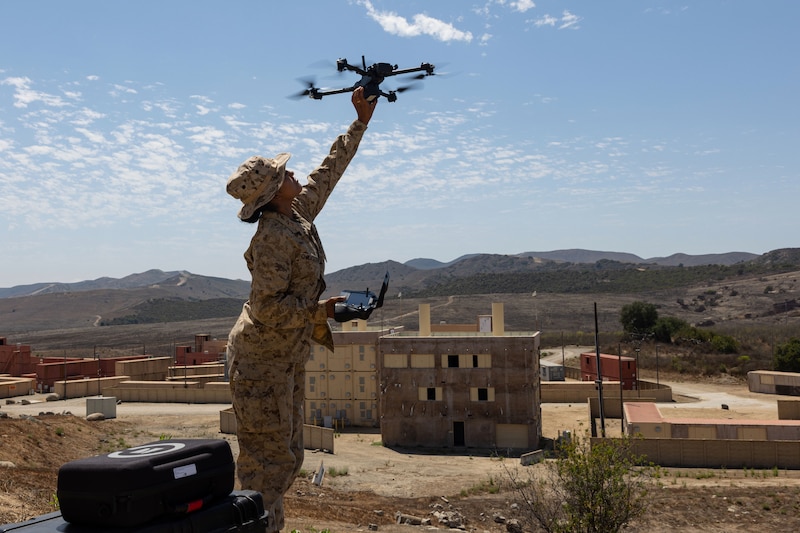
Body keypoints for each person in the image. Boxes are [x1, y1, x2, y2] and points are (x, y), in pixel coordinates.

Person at [224, 87, 376, 532]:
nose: (295, 175)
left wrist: (360, 122)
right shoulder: (271, 237)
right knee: (266, 465)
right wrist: (322, 313)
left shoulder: (296, 216)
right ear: (272, 191)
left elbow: (326, 175)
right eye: (285, 173)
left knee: (288, 458)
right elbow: (269, 308)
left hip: (284, 359)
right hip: (260, 362)